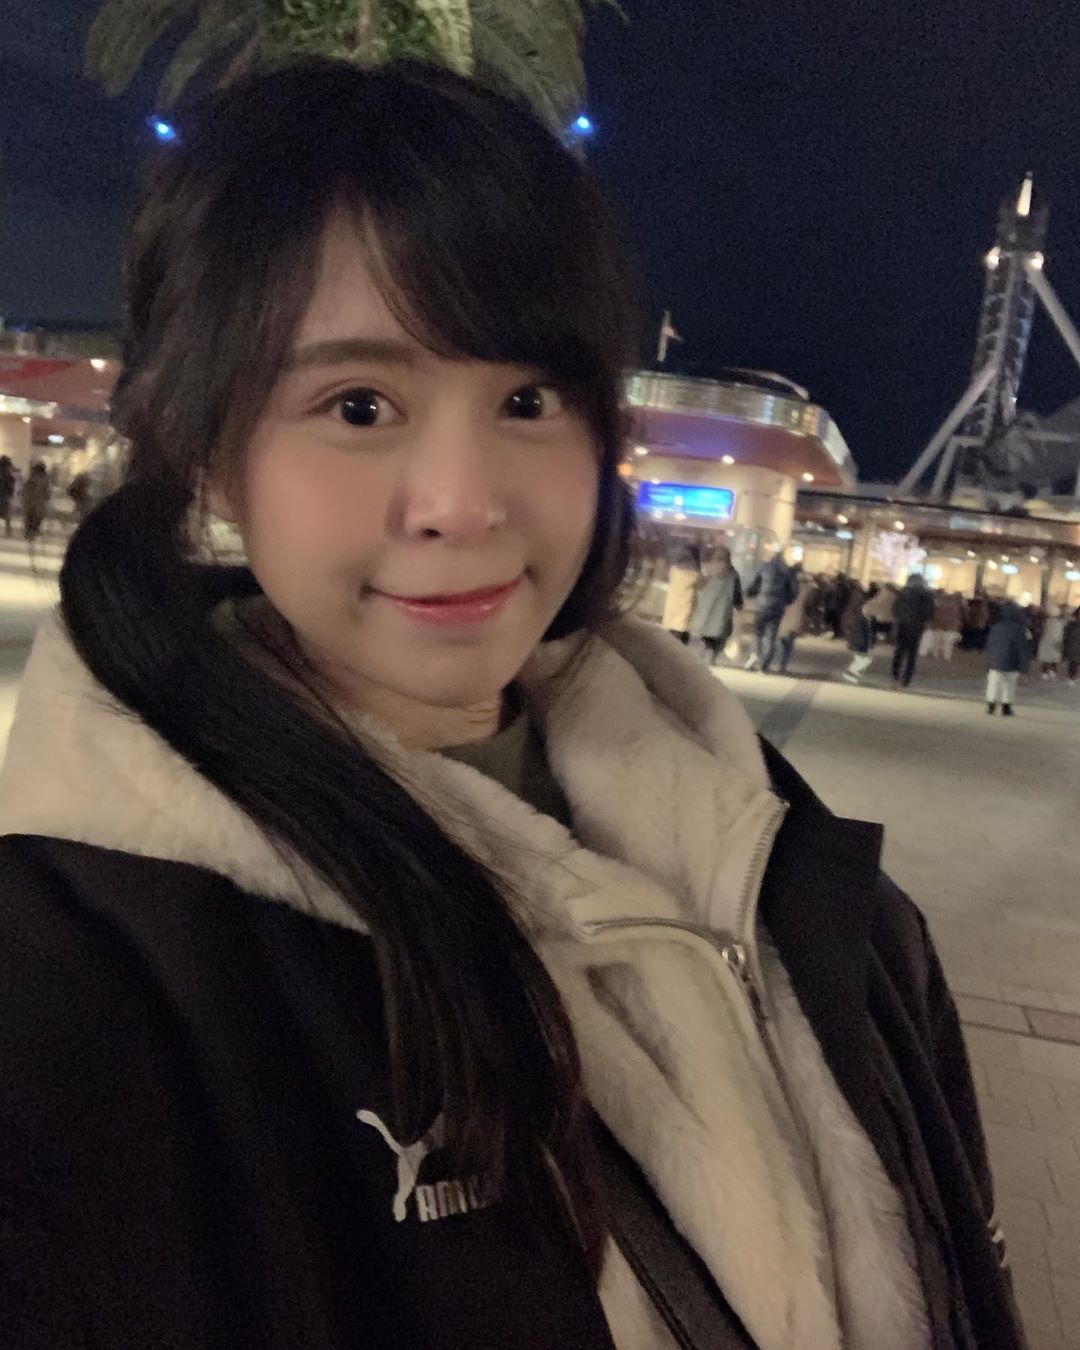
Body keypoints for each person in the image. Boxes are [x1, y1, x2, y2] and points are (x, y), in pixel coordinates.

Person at [0, 59, 1024, 1350]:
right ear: (210, 452)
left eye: (529, 401)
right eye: (359, 405)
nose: (465, 501)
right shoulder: (92, 983)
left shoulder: (791, 860)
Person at [745, 550, 798, 671]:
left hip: (762, 605)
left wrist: (750, 594)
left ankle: (754, 653)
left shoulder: (764, 567)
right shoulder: (787, 571)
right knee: (771, 635)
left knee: (757, 632)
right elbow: (793, 591)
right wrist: (786, 601)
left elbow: (754, 585)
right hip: (778, 607)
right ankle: (764, 665)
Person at [688, 546, 743, 663]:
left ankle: (705, 649)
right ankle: (713, 656)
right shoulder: (732, 574)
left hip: (707, 609)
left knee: (706, 632)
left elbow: (698, 585)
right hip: (724, 611)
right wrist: (739, 605)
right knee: (720, 635)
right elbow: (737, 593)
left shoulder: (708, 569)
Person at [985, 600, 1031, 715]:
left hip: (996, 659)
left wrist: (989, 658)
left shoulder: (996, 626)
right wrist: (1024, 666)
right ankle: (1006, 706)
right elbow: (1022, 648)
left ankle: (991, 704)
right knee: (1010, 683)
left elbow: (990, 644)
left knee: (994, 682)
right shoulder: (1020, 629)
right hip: (1012, 660)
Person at [891, 572, 935, 689]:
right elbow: (929, 612)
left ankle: (895, 672)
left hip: (903, 624)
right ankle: (907, 677)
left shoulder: (904, 593)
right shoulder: (926, 595)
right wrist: (924, 620)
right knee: (912, 653)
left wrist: (899, 618)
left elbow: (895, 608)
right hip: (917, 625)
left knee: (900, 650)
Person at [662, 542, 701, 644]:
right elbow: (702, 585)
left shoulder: (674, 570)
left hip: (671, 605)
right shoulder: (695, 575)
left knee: (670, 632)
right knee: (681, 633)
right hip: (685, 607)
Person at [776, 570, 813, 674]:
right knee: (789, 645)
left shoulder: (783, 588)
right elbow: (811, 585)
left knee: (782, 643)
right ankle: (782, 666)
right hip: (795, 620)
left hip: (783, 618)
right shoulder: (804, 590)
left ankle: (780, 664)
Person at [922, 590, 963, 661]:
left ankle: (937, 655)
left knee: (939, 642)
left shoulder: (937, 603)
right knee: (946, 643)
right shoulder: (953, 605)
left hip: (938, 627)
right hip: (946, 627)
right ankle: (944, 656)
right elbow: (956, 617)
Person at [20, 461, 50, 541]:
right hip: (37, 503)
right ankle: (32, 533)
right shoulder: (44, 480)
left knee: (31, 518)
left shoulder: (31, 478)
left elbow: (25, 490)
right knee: (35, 518)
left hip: (32, 502)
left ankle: (30, 533)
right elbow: (47, 493)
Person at [1036, 604, 1066, 678]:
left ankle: (1045, 672)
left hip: (1046, 642)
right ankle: (1052, 671)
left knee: (1046, 659)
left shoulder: (1046, 622)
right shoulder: (1060, 623)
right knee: (1054, 659)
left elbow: (1042, 632)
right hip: (1055, 642)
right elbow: (1061, 634)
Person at [1064, 607, 1080, 685]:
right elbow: (1067, 634)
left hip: (1074, 645)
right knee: (1073, 662)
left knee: (1075, 662)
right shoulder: (1072, 624)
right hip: (1074, 645)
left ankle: (1073, 676)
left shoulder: (1072, 624)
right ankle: (1071, 677)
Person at [0, 455, 14, 537]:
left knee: (6, 514)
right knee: (7, 514)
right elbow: (11, 488)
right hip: (5, 497)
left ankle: (8, 529)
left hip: (4, 496)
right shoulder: (9, 476)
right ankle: (8, 530)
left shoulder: (8, 475)